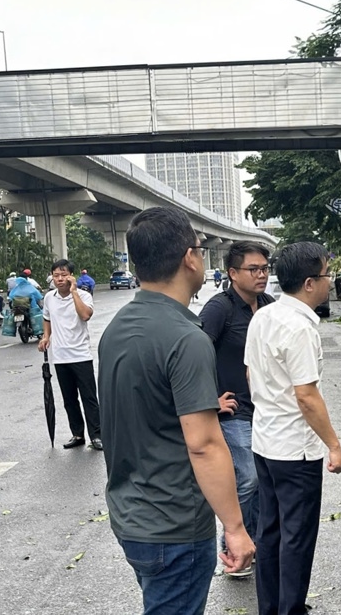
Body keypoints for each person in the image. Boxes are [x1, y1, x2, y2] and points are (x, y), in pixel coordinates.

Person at [98, 206, 255, 614]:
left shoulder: (117, 328)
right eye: (202, 250)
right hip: (175, 526)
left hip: (130, 515)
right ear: (189, 257)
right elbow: (203, 444)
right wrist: (235, 529)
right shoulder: (186, 337)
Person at [244, 241, 341, 615]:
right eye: (326, 274)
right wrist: (333, 445)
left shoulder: (263, 316)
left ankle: (270, 608)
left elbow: (250, 373)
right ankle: (291, 609)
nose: (330, 281)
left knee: (270, 531)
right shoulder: (300, 327)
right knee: (297, 537)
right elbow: (306, 395)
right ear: (308, 282)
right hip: (295, 450)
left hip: (265, 442)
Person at [199, 241, 275, 579]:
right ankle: (233, 549)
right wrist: (211, 397)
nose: (261, 275)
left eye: (264, 269)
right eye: (253, 269)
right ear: (232, 273)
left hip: (266, 411)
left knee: (262, 481)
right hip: (234, 412)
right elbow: (195, 352)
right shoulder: (220, 309)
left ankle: (253, 545)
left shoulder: (269, 306)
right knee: (246, 478)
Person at [37, 259, 101, 451]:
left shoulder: (83, 295)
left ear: (71, 276)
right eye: (56, 275)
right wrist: (46, 336)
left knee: (89, 398)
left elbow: (85, 315)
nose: (59, 279)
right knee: (69, 399)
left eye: (64, 275)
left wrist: (73, 291)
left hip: (81, 355)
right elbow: (46, 318)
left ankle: (97, 436)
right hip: (60, 356)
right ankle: (78, 434)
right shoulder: (49, 298)